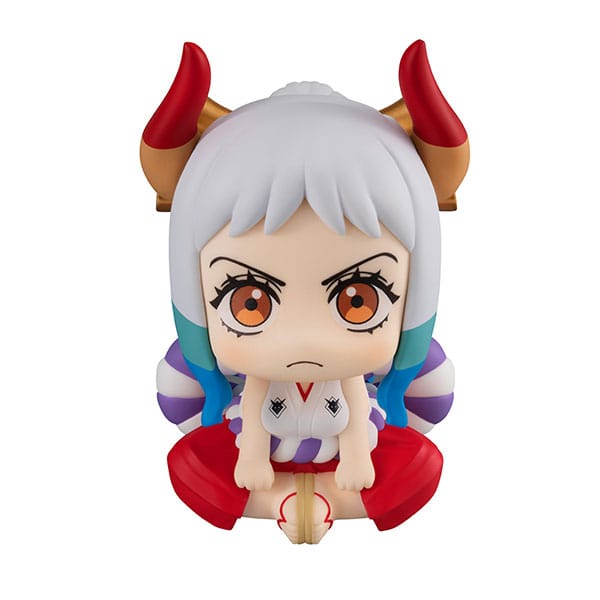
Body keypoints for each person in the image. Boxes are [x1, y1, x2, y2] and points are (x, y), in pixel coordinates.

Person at [141, 40, 469, 543]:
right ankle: (292, 502)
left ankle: (308, 503)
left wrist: (357, 456)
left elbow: (358, 415)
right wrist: (252, 456)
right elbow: (251, 420)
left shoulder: (358, 379)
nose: (303, 340)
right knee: (190, 464)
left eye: (358, 299)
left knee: (421, 465)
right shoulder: (250, 379)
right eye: (250, 301)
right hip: (264, 445)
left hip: (348, 448)